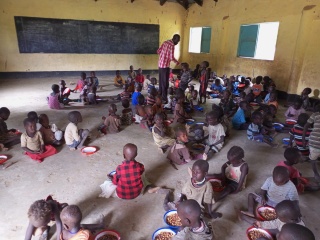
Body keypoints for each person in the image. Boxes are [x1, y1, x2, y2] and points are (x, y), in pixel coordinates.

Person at [239, 200, 304, 236]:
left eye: (279, 217)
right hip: (281, 231)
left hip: (284, 234)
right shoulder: (287, 219)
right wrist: (261, 224)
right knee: (261, 227)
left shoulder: (296, 232)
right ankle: (244, 217)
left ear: (289, 219)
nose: (277, 217)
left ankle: (243, 217)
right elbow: (275, 223)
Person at [157, 34, 180, 102]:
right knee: (165, 83)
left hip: (160, 65)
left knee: (161, 81)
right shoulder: (172, 45)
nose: (177, 42)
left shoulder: (165, 42)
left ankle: (160, 94)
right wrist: (178, 63)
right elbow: (171, 57)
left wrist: (163, 56)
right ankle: (164, 98)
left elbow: (158, 51)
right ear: (174, 39)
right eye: (177, 41)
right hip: (165, 66)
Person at [303, 104, 320, 181]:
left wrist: (303, 139)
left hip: (314, 143)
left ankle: (316, 174)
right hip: (315, 143)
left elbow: (306, 126)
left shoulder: (315, 115)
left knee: (313, 160)